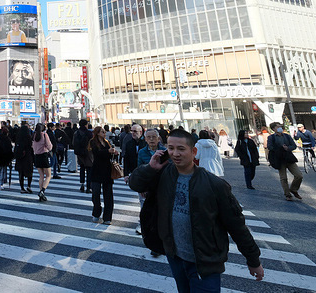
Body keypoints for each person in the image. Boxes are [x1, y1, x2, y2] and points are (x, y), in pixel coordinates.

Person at [129, 129, 264, 291]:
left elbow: (237, 225)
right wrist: (151, 168)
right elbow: (135, 184)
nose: (175, 153)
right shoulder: (163, 174)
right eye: (171, 148)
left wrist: (253, 260)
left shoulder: (215, 185)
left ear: (194, 151)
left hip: (204, 260)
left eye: (181, 149)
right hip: (175, 255)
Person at [136, 129, 166, 238]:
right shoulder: (142, 152)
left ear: (158, 138)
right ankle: (149, 236)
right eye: (149, 137)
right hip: (147, 186)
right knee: (147, 212)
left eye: (154, 137)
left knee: (160, 213)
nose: (152, 139)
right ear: (145, 139)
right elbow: (139, 170)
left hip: (162, 186)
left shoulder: (165, 151)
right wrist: (141, 188)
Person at [267, 122, 303, 201]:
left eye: (280, 126)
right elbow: (270, 147)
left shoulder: (287, 136)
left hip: (289, 158)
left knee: (299, 175)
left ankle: (293, 189)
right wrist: (280, 148)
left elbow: (293, 145)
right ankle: (287, 194)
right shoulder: (271, 137)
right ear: (273, 129)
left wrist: (288, 148)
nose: (280, 128)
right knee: (283, 178)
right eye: (277, 127)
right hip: (279, 159)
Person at [89, 126, 114, 225]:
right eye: (102, 132)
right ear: (97, 133)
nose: (104, 133)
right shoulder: (93, 142)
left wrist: (113, 152)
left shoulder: (107, 142)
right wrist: (108, 151)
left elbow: (108, 155)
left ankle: (107, 217)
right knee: (96, 193)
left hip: (107, 170)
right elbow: (96, 153)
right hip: (96, 170)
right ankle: (96, 213)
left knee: (108, 195)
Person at [32, 123, 53, 202]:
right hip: (44, 156)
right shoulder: (44, 135)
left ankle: (41, 193)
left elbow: (33, 146)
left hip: (37, 156)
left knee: (41, 176)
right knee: (48, 175)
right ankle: (42, 191)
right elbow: (49, 146)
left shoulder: (34, 136)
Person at [73, 119, 93, 193]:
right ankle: (89, 187)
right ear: (85, 125)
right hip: (88, 153)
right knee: (89, 170)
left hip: (80, 153)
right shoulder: (89, 133)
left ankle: (82, 184)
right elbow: (92, 143)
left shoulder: (76, 133)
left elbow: (73, 143)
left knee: (82, 168)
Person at [14, 121, 34, 194]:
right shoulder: (28, 137)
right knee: (29, 173)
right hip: (28, 157)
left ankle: (22, 188)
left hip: (20, 158)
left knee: (21, 174)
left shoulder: (18, 138)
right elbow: (31, 147)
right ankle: (29, 186)